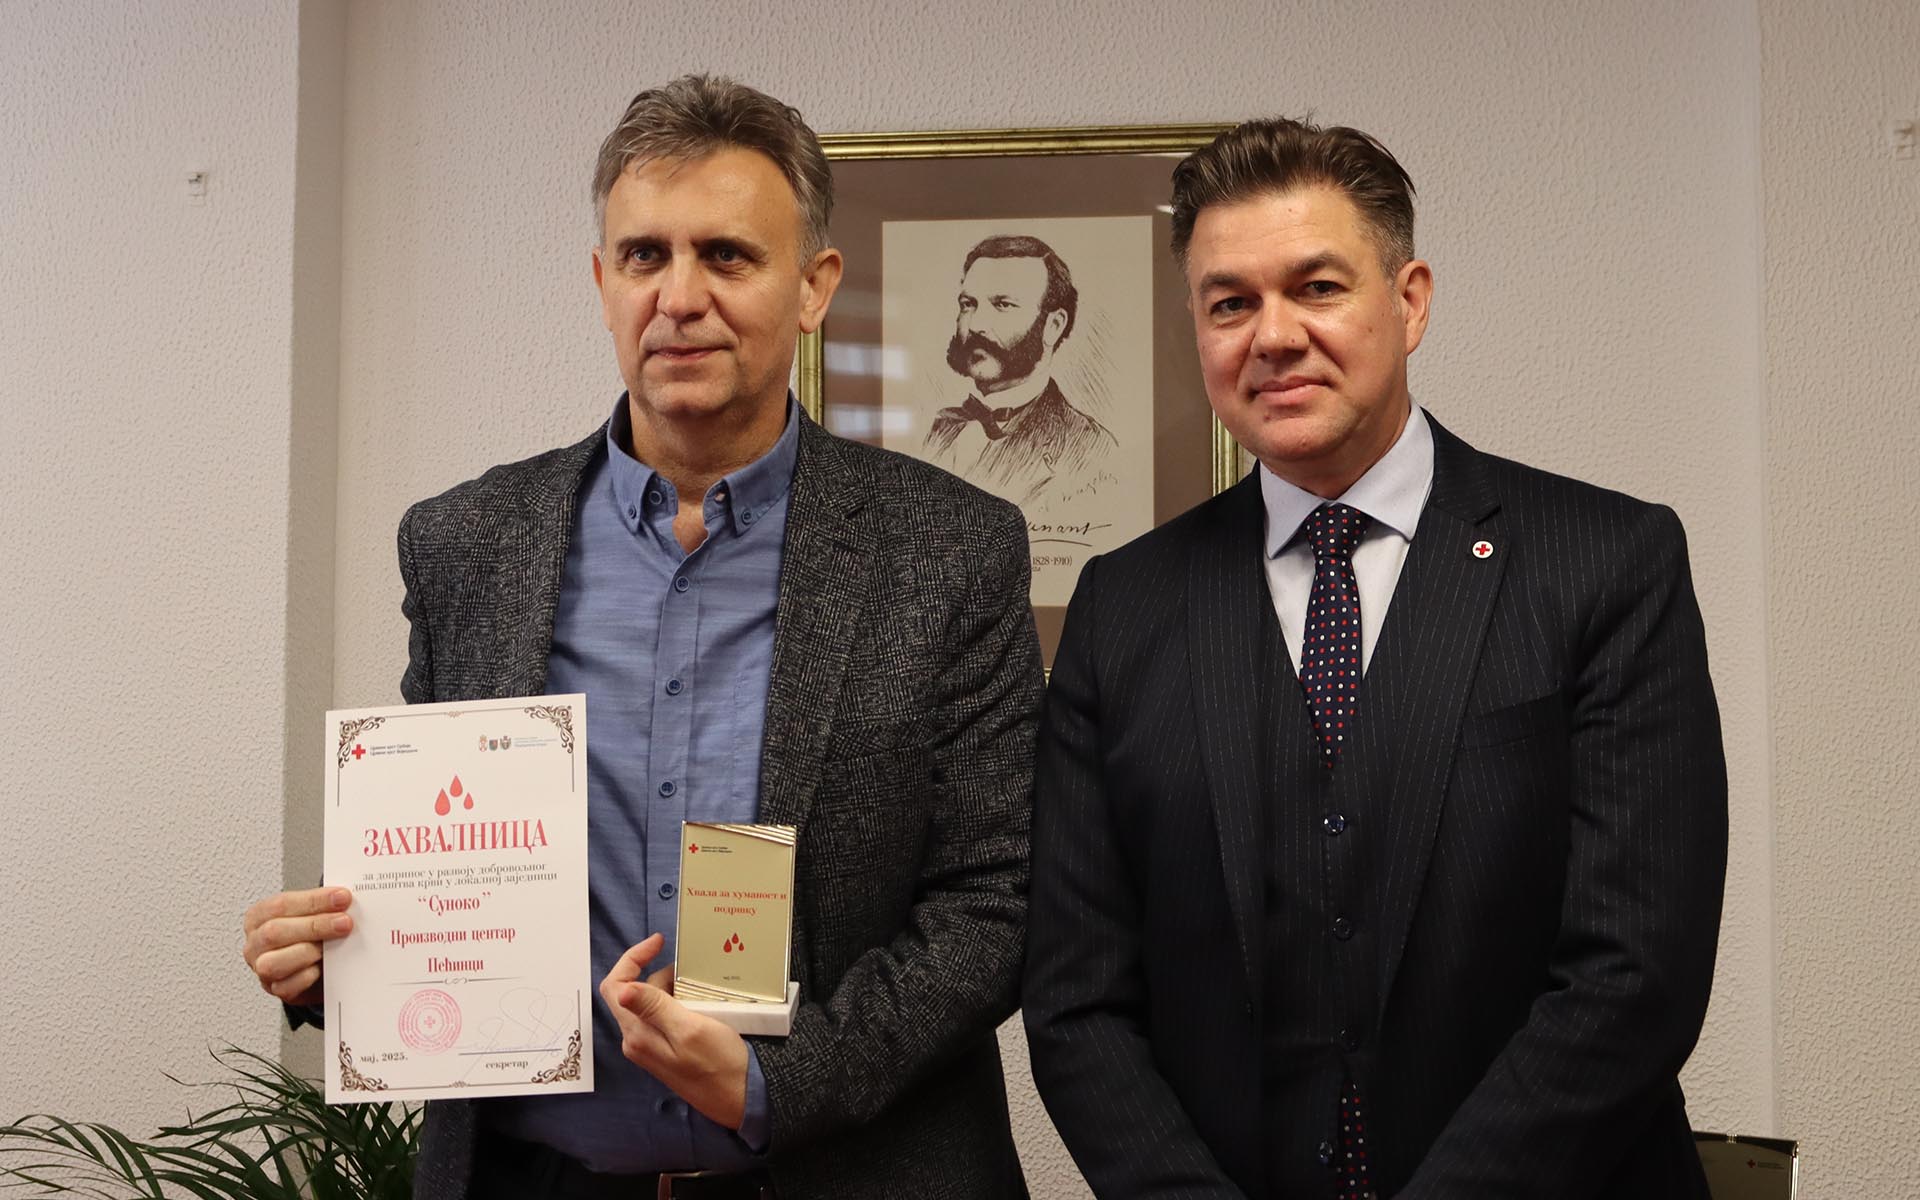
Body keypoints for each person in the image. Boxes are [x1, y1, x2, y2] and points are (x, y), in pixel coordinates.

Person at [243, 75, 1041, 1200]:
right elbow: (447, 853)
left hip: (850, 1172)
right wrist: (344, 955)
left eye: (727, 256)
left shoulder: (947, 551)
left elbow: (992, 902)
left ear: (814, 288)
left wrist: (777, 1082)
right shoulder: (469, 544)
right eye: (644, 256)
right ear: (602, 283)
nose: (679, 297)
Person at [1022, 116, 1727, 1199]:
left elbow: (1636, 974)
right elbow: (1078, 1001)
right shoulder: (1123, 607)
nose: (1273, 336)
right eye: (1229, 303)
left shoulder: (1606, 563)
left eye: (1316, 287)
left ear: (1410, 302)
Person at [926, 235, 1116, 501]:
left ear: (1054, 326)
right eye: (968, 305)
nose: (976, 324)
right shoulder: (938, 429)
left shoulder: (1090, 451)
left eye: (1003, 305)